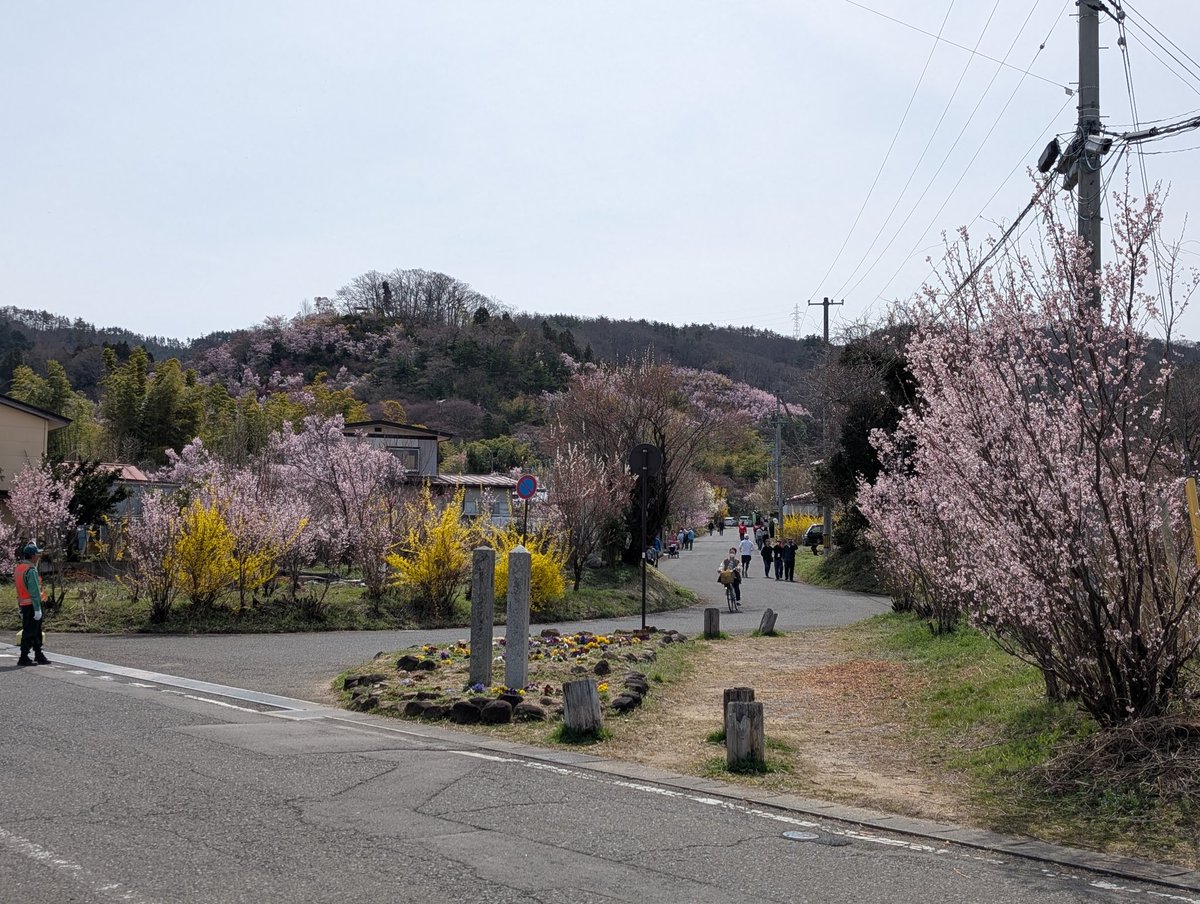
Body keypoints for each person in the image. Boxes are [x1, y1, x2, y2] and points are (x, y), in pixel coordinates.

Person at [15, 542, 50, 666]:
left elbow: (19, 589)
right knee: (31, 631)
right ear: (33, 556)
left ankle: (38, 654)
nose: (38, 556)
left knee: (35, 630)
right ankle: (24, 656)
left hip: (24, 604)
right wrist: (37, 608)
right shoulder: (31, 570)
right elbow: (34, 591)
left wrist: (19, 606)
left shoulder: (19, 568)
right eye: (37, 554)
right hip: (32, 605)